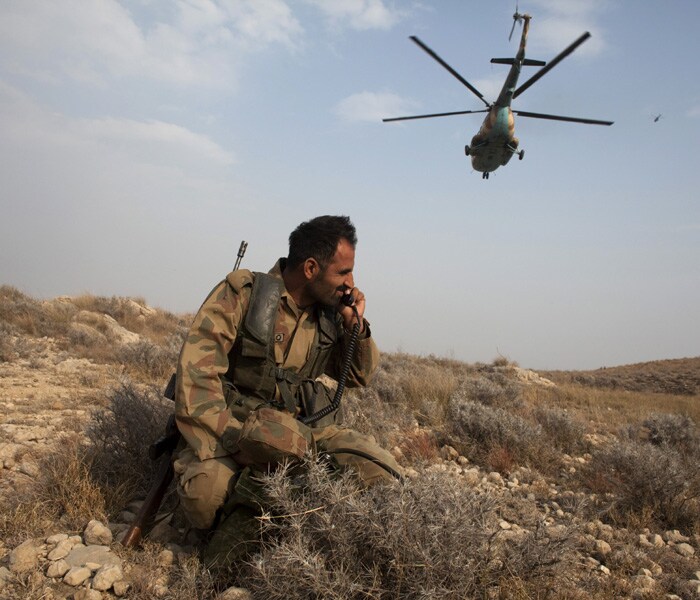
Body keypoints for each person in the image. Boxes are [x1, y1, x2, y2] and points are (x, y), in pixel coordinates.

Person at [173, 215, 402, 568]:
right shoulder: (244, 295)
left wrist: (354, 322)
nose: (351, 283)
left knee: (383, 475)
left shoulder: (330, 314)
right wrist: (240, 442)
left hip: (307, 429)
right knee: (205, 499)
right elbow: (197, 380)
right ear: (311, 267)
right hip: (234, 427)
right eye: (343, 272)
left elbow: (358, 376)